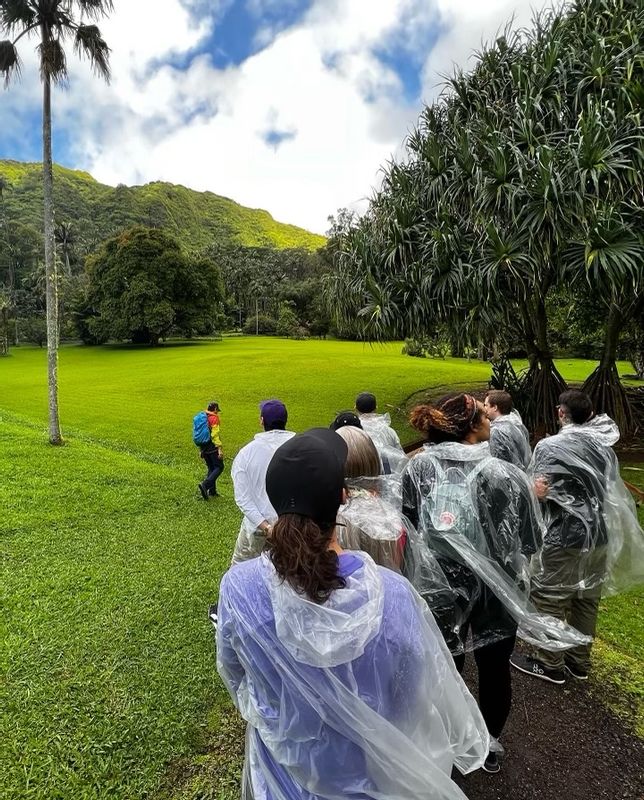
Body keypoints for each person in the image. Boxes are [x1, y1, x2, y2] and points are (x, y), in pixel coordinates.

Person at [217, 428, 489, 800]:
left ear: (275, 503)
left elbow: (236, 676)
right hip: (369, 781)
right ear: (343, 499)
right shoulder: (394, 597)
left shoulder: (238, 590)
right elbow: (413, 699)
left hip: (279, 777)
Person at [402, 393, 581, 773]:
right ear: (470, 429)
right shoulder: (506, 475)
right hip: (497, 593)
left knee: (444, 664)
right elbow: (531, 541)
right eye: (484, 416)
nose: (490, 421)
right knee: (494, 668)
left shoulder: (417, 469)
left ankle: (444, 740)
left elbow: (409, 530)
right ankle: (487, 744)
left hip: (439, 586)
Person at [511, 390, 644, 684]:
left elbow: (539, 491)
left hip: (564, 533)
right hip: (599, 533)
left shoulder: (549, 447)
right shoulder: (603, 447)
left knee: (549, 595)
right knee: (586, 596)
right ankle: (578, 662)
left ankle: (549, 663)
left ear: (561, 413)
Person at [230, 400, 295, 564]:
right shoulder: (302, 448)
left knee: (242, 571)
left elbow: (242, 498)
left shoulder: (246, 453)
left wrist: (266, 527)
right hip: (293, 528)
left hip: (257, 528)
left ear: (261, 421)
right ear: (286, 420)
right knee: (287, 575)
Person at [355, 391, 407, 473]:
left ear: (355, 408)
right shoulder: (389, 431)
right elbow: (400, 456)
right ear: (376, 407)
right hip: (389, 476)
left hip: (365, 476)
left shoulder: (354, 432)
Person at [483, 390, 531, 470]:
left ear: (495, 407)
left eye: (486, 405)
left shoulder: (497, 431)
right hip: (523, 474)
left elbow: (498, 463)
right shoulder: (517, 423)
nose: (484, 409)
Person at [198, 401, 224, 500]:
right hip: (212, 447)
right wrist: (219, 449)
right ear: (215, 409)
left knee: (211, 468)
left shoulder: (203, 417)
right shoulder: (214, 418)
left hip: (204, 447)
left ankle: (212, 492)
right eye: (217, 410)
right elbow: (215, 435)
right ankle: (205, 485)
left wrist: (201, 449)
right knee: (219, 467)